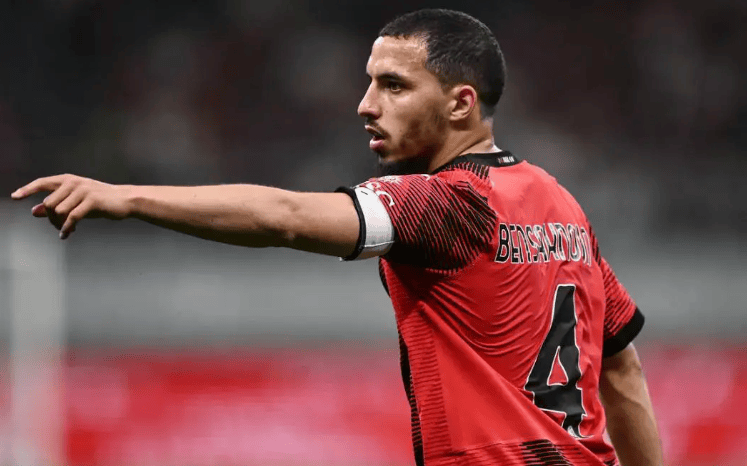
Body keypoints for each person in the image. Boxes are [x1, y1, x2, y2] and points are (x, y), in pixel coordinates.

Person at [11, 8, 662, 466]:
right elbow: (622, 368)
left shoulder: (449, 203)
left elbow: (285, 216)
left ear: (461, 103)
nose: (365, 104)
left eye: (393, 86)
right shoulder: (562, 207)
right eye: (369, 82)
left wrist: (126, 197)